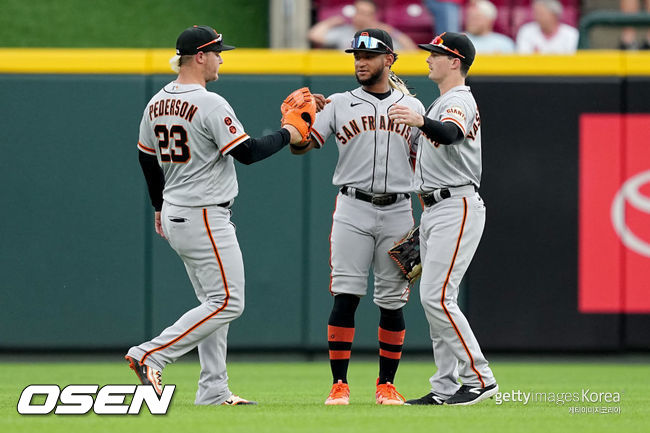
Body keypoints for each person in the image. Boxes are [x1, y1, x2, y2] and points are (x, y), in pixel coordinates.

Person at [125, 25, 324, 406]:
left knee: (212, 303)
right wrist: (288, 131)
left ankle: (213, 390)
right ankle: (152, 353)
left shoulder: (155, 102)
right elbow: (247, 152)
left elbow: (146, 160)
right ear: (199, 56)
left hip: (177, 211)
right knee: (229, 302)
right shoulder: (210, 103)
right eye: (217, 52)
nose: (220, 59)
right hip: (202, 214)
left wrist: (157, 206)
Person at [292, 28, 425, 406]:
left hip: (400, 208)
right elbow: (303, 146)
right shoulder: (338, 103)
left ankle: (386, 384)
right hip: (352, 206)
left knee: (392, 302)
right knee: (345, 296)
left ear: (390, 60)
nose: (361, 62)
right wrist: (298, 122)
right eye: (357, 56)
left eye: (369, 56)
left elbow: (430, 162)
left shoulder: (412, 107)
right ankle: (339, 384)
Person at [388, 32, 498, 406]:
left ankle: (480, 378)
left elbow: (450, 134)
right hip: (435, 208)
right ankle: (446, 387)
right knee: (437, 299)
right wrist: (412, 124)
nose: (429, 58)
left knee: (436, 297)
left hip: (457, 204)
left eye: (437, 54)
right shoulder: (439, 103)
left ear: (456, 62)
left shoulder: (458, 100)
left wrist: (418, 119)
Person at [309, 0, 417, 51]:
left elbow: (411, 50)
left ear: (374, 16)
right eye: (359, 12)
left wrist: (392, 31)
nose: (362, 17)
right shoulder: (344, 31)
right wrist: (331, 22)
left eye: (366, 13)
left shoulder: (382, 36)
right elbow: (314, 36)